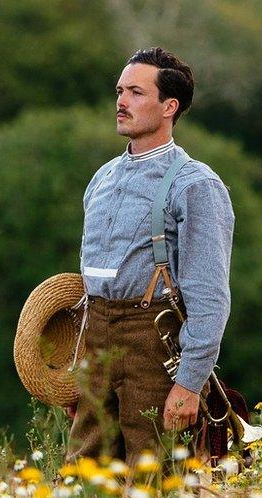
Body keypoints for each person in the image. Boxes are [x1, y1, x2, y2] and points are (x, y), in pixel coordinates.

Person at [65, 47, 235, 464]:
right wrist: (78, 370)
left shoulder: (196, 184)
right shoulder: (102, 177)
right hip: (97, 337)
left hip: (153, 344)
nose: (121, 102)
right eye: (120, 91)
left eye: (137, 93)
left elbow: (209, 295)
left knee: (155, 478)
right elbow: (92, 279)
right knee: (82, 480)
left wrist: (190, 383)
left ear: (168, 107)